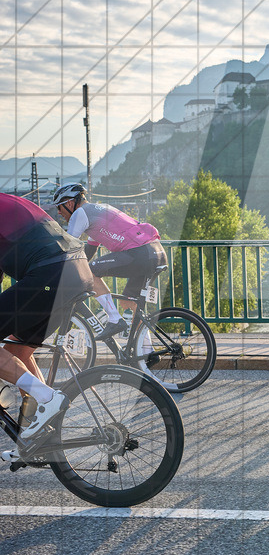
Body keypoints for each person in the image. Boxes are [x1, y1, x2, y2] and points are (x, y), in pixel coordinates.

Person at [0, 193, 93, 450]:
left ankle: (47, 398)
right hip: (77, 268)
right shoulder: (7, 202)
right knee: (18, 350)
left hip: (52, 272)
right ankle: (41, 431)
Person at [52, 183, 165, 340]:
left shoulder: (80, 214)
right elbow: (90, 249)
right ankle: (144, 351)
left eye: (60, 207)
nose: (59, 212)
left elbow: (67, 247)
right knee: (129, 303)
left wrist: (59, 272)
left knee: (90, 272)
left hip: (139, 253)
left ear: (69, 203)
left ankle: (114, 319)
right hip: (154, 251)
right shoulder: (100, 209)